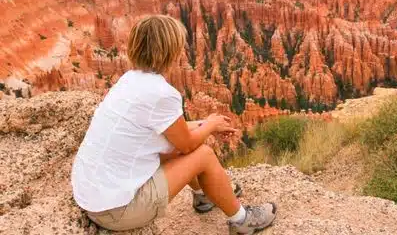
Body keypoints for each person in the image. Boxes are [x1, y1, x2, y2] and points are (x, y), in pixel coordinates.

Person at [71, 15, 277, 234]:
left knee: (175, 146)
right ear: (170, 51)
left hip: (94, 196)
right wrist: (209, 126)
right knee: (203, 154)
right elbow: (187, 145)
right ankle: (242, 221)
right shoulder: (161, 94)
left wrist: (207, 124)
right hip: (118, 210)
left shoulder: (129, 80)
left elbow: (171, 130)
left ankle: (204, 197)